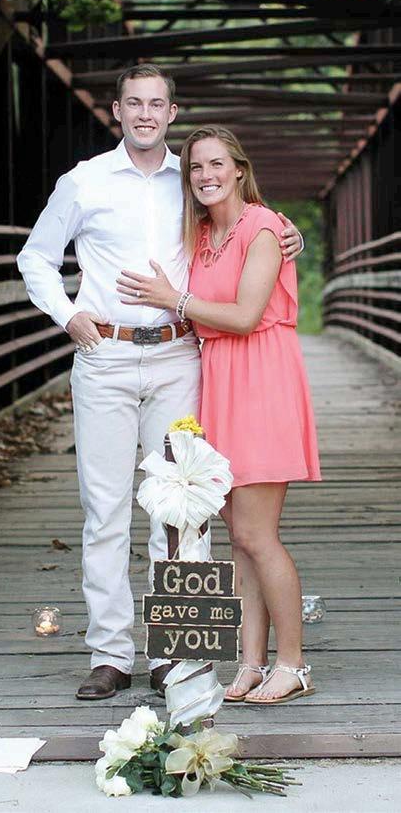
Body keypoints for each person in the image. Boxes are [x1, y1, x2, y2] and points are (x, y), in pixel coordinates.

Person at [17, 67, 303, 701]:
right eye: (134, 103)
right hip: (105, 355)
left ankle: (178, 652)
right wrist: (67, 314)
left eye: (157, 104)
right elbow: (34, 256)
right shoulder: (84, 181)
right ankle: (110, 654)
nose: (145, 114)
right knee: (106, 509)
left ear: (172, 113)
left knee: (183, 509)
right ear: (116, 110)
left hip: (180, 356)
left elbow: (245, 228)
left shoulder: (192, 180)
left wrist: (293, 235)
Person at [116, 124, 321, 705]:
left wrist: (174, 300)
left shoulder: (265, 227)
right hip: (220, 383)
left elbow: (248, 315)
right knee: (239, 538)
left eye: (215, 164)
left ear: (238, 169)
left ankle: (294, 664)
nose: (205, 175)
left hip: (263, 380)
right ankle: (252, 662)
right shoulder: (202, 235)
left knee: (259, 534)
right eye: (195, 167)